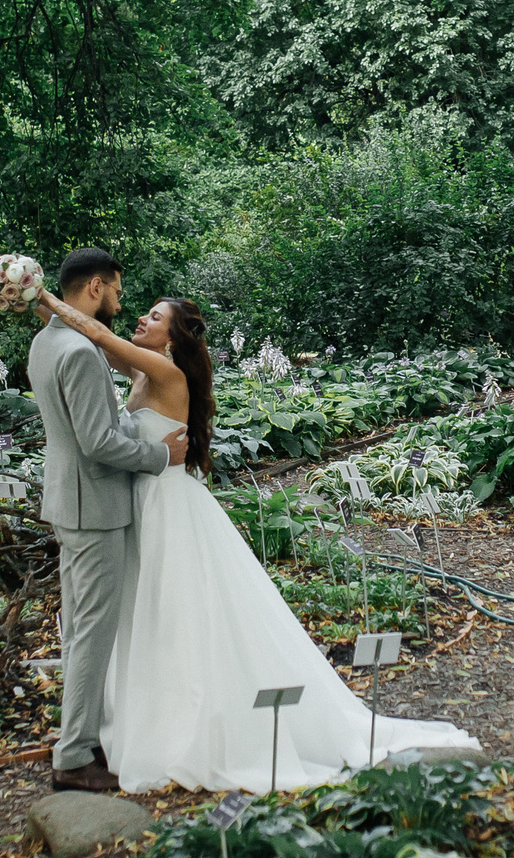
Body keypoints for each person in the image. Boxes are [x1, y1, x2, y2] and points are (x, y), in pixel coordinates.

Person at [35, 283, 479, 793]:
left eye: (154, 318)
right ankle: (142, 713)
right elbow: (95, 349)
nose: (141, 319)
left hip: (167, 504)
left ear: (174, 338)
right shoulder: (143, 369)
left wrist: (42, 296)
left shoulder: (164, 370)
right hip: (143, 502)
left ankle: (192, 723)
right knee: (150, 609)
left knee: (179, 609)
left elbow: (96, 333)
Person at [28, 247, 187, 794]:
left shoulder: (46, 341)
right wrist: (159, 456)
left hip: (70, 502)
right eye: (117, 290)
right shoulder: (78, 350)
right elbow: (96, 442)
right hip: (94, 507)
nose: (122, 302)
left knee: (78, 628)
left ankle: (82, 735)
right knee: (92, 631)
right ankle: (73, 756)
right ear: (95, 287)